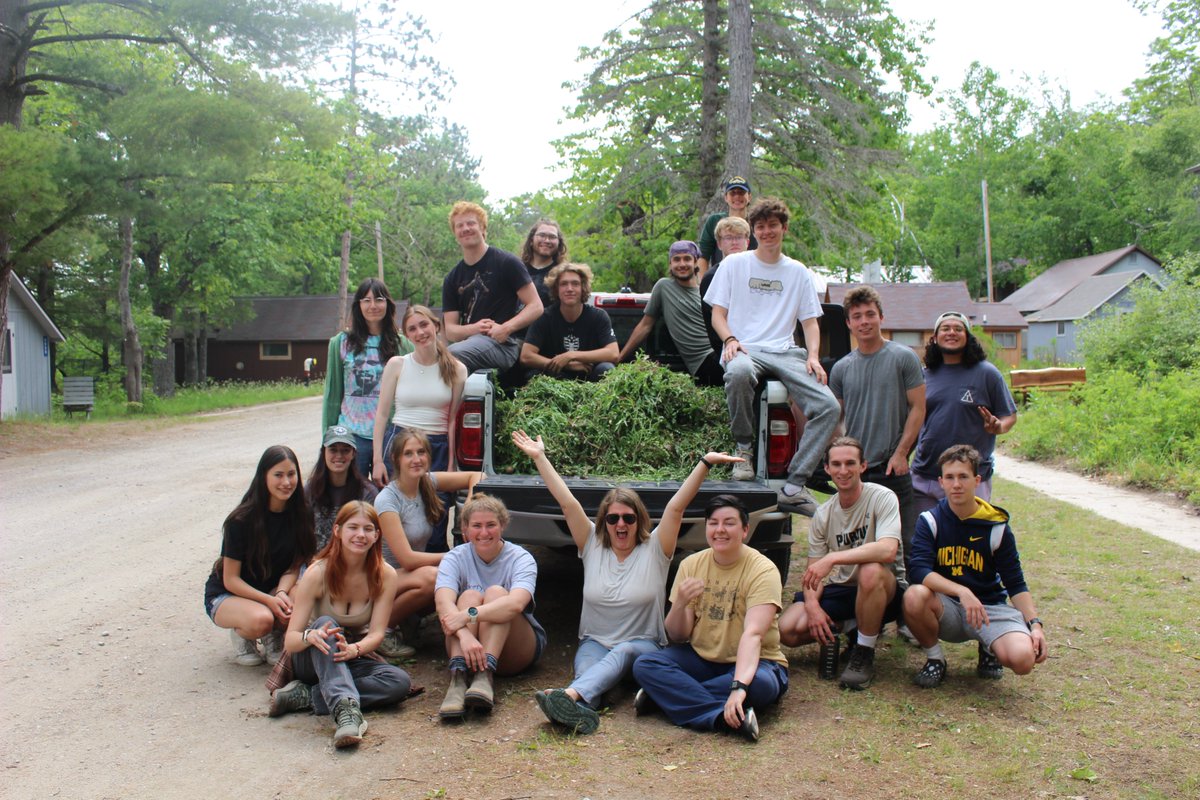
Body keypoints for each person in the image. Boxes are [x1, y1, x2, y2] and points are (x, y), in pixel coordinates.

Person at [512, 429, 743, 734]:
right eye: (612, 518)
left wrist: (704, 463)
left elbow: (676, 507)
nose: (620, 524)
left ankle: (567, 696)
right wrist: (540, 458)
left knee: (619, 656)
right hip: (595, 642)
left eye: (628, 518)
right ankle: (581, 712)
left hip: (643, 646)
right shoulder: (592, 546)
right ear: (604, 523)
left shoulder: (656, 549)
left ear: (639, 521)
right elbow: (568, 504)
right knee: (588, 675)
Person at [705, 196, 840, 515]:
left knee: (828, 406)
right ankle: (744, 450)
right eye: (761, 226)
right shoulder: (734, 264)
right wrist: (730, 339)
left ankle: (794, 482)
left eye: (773, 226)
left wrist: (814, 356)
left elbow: (810, 322)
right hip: (745, 347)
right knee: (737, 373)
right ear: (753, 231)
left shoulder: (798, 272)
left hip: (785, 351)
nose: (767, 232)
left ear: (784, 229)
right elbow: (717, 315)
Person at [631, 495, 788, 741]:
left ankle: (664, 698)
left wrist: (739, 687)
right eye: (713, 523)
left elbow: (754, 634)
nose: (720, 530)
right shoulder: (691, 565)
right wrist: (680, 603)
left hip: (756, 662)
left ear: (745, 529)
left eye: (729, 523)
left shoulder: (763, 570)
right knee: (645, 665)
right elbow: (678, 635)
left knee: (760, 687)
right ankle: (722, 719)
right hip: (702, 658)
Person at [265, 502, 413, 749]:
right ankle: (347, 714)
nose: (360, 535)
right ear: (337, 531)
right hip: (310, 655)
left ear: (377, 535)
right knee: (326, 624)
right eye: (353, 527)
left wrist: (355, 650)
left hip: (350, 653)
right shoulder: (317, 573)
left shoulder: (385, 575)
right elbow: (291, 640)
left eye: (368, 529)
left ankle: (307, 696)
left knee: (399, 682)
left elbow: (376, 633)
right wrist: (310, 636)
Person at [903, 445, 1048, 688]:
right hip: (947, 607)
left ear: (977, 480)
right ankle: (935, 659)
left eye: (963, 477)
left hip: (987, 609)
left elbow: (1015, 582)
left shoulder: (995, 525)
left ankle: (989, 647)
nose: (956, 484)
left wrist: (1035, 624)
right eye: (949, 477)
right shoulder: (930, 521)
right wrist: (961, 591)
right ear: (941, 482)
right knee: (914, 595)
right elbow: (919, 571)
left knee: (1023, 661)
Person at [778, 436, 905, 690]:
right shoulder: (823, 514)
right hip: (844, 588)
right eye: (836, 464)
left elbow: (888, 550)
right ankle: (850, 627)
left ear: (863, 466)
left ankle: (864, 652)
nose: (843, 471)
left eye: (850, 463)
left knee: (869, 569)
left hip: (886, 589)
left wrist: (833, 557)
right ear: (827, 469)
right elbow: (814, 573)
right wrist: (813, 607)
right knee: (787, 629)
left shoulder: (882, 497)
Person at [829, 286, 926, 566]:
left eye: (870, 314)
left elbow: (918, 408)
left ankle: (908, 603)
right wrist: (842, 460)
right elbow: (835, 418)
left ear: (881, 317)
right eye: (857, 317)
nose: (864, 321)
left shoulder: (903, 357)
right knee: (858, 542)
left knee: (903, 544)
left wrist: (901, 453)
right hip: (857, 473)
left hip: (891, 467)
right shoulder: (842, 368)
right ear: (848, 323)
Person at [373, 428, 484, 658]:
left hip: (406, 577)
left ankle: (408, 620)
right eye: (408, 453)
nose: (416, 459)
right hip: (382, 578)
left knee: (452, 578)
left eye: (421, 452)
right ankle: (380, 630)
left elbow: (478, 476)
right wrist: (456, 555)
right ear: (396, 459)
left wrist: (468, 515)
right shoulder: (388, 499)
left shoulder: (427, 482)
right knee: (435, 578)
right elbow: (407, 559)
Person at [434, 494, 547, 720]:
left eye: (491, 525)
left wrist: (467, 616)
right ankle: (458, 679)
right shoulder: (455, 557)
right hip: (467, 650)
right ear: (465, 528)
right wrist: (465, 635)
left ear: (502, 525)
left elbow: (515, 604)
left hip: (515, 648)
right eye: (476, 526)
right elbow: (443, 603)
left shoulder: (521, 558)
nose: (484, 533)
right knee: (469, 595)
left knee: (496, 593)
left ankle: (484, 676)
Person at [204, 445, 316, 667]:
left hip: (273, 589)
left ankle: (274, 634)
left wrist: (282, 593)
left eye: (291, 474)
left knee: (298, 599)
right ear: (263, 476)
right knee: (262, 619)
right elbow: (231, 579)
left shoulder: (302, 513)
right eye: (278, 475)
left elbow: (295, 565)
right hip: (230, 593)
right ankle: (245, 634)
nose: (286, 482)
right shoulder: (240, 520)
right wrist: (269, 601)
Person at [911, 311, 1018, 514]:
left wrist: (999, 427)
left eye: (958, 329)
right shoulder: (924, 376)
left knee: (968, 542)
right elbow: (913, 420)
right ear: (934, 338)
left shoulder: (987, 373)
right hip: (926, 475)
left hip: (970, 479)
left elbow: (1009, 415)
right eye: (945, 328)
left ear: (968, 337)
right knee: (927, 540)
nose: (952, 332)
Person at [322, 278, 413, 479]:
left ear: (388, 304)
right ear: (358, 305)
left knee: (389, 500)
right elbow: (332, 396)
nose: (373, 306)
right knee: (355, 503)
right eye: (366, 300)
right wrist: (327, 440)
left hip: (390, 436)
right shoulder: (340, 343)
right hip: (352, 436)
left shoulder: (403, 345)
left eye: (379, 299)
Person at [372, 304, 467, 490]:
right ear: (406, 335)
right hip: (399, 442)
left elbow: (452, 421)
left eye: (424, 325)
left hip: (437, 447)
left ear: (436, 326)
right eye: (412, 329)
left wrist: (451, 464)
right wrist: (377, 461)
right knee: (399, 508)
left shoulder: (457, 369)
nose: (420, 332)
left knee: (436, 510)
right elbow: (382, 415)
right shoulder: (396, 365)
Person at [442, 201, 544, 375]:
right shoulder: (452, 278)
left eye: (471, 223)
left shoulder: (506, 262)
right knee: (429, 358)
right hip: (469, 344)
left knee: (449, 356)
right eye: (460, 225)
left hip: (503, 345)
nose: (466, 228)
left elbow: (536, 306)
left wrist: (506, 328)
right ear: (455, 234)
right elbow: (451, 330)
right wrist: (475, 328)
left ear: (482, 228)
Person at [618, 240, 725, 387]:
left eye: (687, 258)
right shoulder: (664, 287)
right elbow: (645, 326)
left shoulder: (708, 291)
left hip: (721, 353)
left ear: (695, 263)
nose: (682, 264)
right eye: (676, 259)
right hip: (704, 361)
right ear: (670, 264)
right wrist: (619, 358)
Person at [520, 262, 618, 381]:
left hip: (590, 379)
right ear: (556, 289)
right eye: (564, 284)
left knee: (607, 368)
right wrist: (564, 364)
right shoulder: (544, 317)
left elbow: (613, 353)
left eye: (575, 284)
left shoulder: (598, 316)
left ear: (583, 288)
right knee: (534, 375)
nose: (570, 289)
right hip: (557, 379)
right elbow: (526, 357)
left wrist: (571, 356)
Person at [307, 425, 379, 550]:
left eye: (345, 450)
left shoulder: (367, 493)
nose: (339, 456)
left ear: (353, 454)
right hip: (315, 562)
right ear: (323, 452)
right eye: (333, 450)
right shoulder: (310, 490)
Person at [699, 216, 752, 351]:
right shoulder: (711, 277)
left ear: (747, 241)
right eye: (728, 238)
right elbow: (714, 322)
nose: (734, 242)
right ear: (719, 244)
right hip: (729, 348)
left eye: (739, 237)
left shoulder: (759, 273)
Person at [697, 176, 757, 279]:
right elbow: (703, 255)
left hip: (752, 280)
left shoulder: (757, 222)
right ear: (726, 197)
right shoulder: (715, 221)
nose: (737, 196)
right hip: (721, 278)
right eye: (733, 193)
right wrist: (704, 285)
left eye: (741, 193)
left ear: (749, 197)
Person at [519, 218, 568, 309]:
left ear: (559, 243)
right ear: (531, 240)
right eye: (542, 235)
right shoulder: (516, 269)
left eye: (552, 237)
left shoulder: (563, 274)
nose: (547, 240)